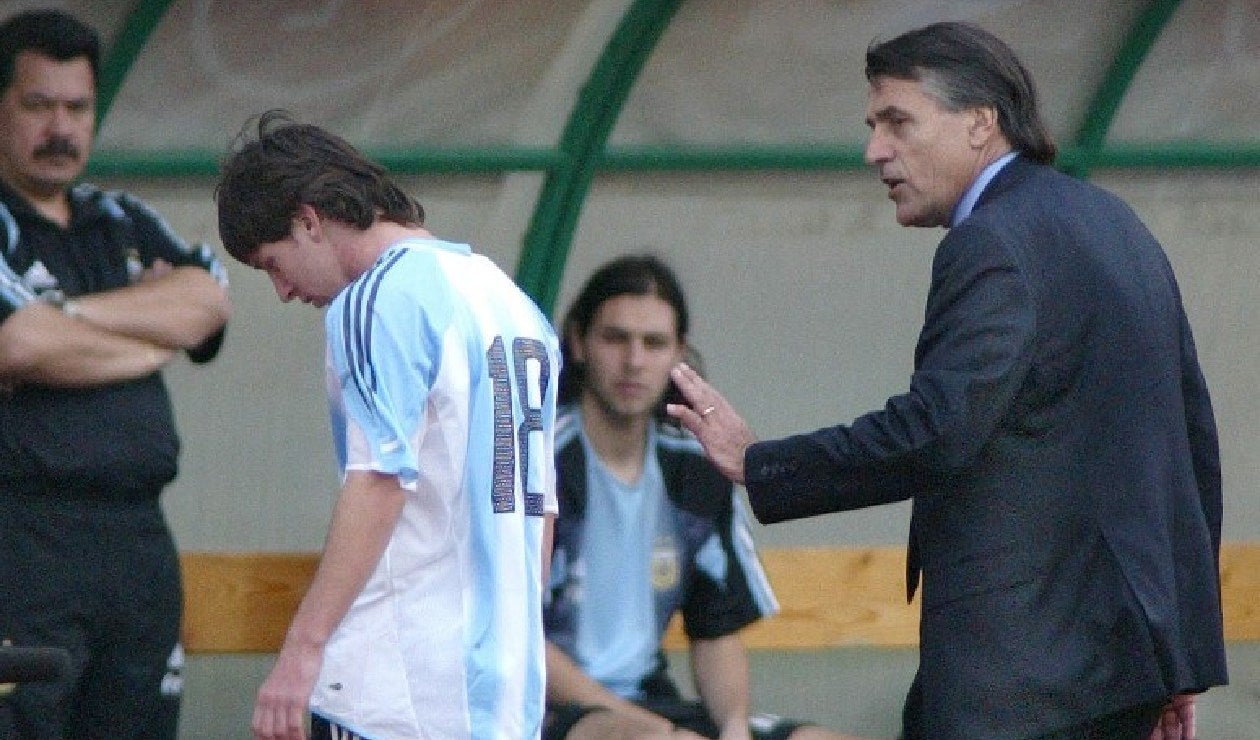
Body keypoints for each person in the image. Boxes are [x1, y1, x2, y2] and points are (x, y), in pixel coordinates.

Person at [666, 21, 1227, 740]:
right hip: (1121, 672)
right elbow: (1189, 445)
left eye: (898, 122)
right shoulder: (1116, 224)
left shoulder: (991, 241)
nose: (875, 150)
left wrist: (759, 461)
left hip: (1019, 686)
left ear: (980, 123)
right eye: (873, 125)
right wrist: (1178, 662)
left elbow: (937, 429)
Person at [216, 109, 561, 740]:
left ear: (308, 220)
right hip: (501, 698)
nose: (283, 291)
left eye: (272, 262)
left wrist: (301, 652)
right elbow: (540, 516)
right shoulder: (512, 304)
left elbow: (379, 480)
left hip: (393, 693)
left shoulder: (374, 298)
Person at [0, 9, 230, 739]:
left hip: (138, 541)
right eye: (38, 106)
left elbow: (206, 302)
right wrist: (146, 332)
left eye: (78, 108)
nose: (61, 128)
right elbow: (20, 345)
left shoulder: (123, 220)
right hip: (26, 537)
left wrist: (66, 314)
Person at [545, 254, 861, 740]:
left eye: (654, 344)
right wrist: (652, 727)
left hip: (656, 704)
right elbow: (514, 639)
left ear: (678, 355)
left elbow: (714, 630)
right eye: (616, 338)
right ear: (579, 343)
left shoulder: (696, 470)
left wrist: (733, 727)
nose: (634, 361)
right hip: (555, 711)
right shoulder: (539, 463)